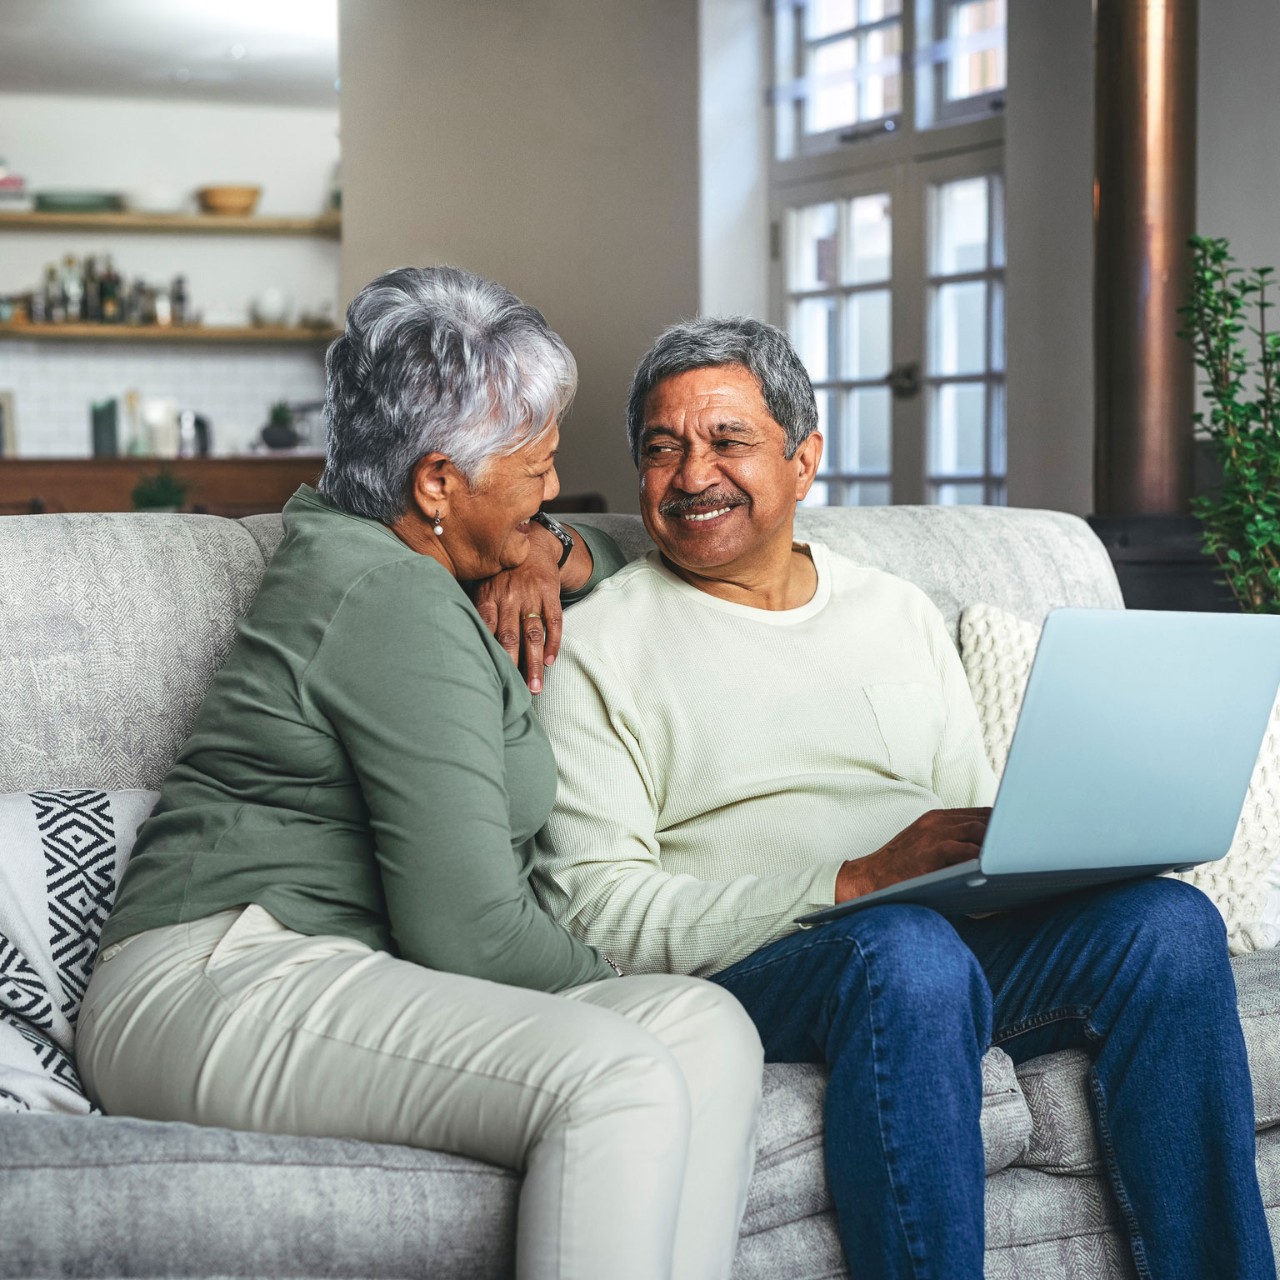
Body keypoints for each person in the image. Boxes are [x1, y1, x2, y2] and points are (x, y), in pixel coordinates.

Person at [530, 315, 1275, 1280]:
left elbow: (970, 840)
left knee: (1166, 922)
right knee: (906, 949)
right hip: (759, 969)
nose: (690, 474)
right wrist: (852, 881)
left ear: (805, 461)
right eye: (661, 448)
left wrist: (1077, 852)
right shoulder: (596, 646)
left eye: (728, 441)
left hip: (927, 947)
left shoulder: (895, 613)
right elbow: (596, 912)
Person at [76, 269, 764, 1280]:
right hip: (214, 977)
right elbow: (468, 928)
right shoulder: (388, 597)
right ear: (435, 482)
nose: (548, 486)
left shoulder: (399, 545)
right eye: (532, 467)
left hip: (317, 966)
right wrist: (610, 982)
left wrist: (550, 550)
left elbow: (626, 555)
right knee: (617, 1072)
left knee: (703, 1024)